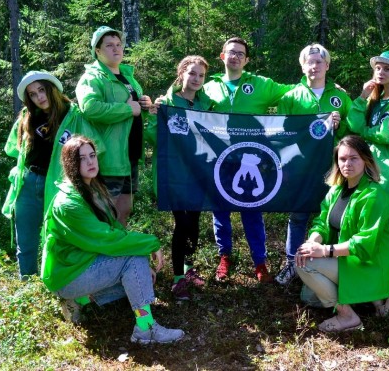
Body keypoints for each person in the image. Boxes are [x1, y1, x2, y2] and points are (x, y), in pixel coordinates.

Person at [40, 136, 184, 345]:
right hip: (68, 274)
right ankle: (146, 329)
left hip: (82, 263)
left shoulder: (91, 188)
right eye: (82, 159)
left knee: (142, 276)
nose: (90, 162)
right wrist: (149, 244)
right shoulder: (68, 203)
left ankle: (80, 300)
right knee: (133, 262)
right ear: (71, 164)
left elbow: (112, 227)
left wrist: (143, 264)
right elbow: (107, 239)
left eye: (92, 156)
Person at [202, 37, 294, 283]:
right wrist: (162, 102)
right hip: (219, 159)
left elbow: (296, 92)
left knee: (252, 210)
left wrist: (322, 85)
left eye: (241, 54)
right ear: (222, 56)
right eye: (231, 52)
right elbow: (184, 98)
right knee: (219, 210)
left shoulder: (261, 85)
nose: (236, 57)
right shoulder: (208, 87)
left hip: (251, 158)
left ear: (247, 60)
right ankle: (225, 256)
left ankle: (260, 261)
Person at [2, 71, 103, 278]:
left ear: (52, 88)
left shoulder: (72, 114)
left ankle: (58, 285)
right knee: (26, 241)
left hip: (58, 184)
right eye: (32, 94)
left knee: (57, 237)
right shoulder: (27, 117)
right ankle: (28, 286)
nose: (39, 97)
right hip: (28, 183)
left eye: (41, 90)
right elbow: (13, 148)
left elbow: (93, 146)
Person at [295, 135, 389, 332]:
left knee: (306, 266)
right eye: (342, 159)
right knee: (309, 297)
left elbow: (363, 244)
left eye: (353, 158)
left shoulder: (375, 196)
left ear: (366, 160)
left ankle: (348, 315)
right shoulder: (336, 190)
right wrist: (311, 244)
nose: (347, 164)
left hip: (367, 264)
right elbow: (321, 223)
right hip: (345, 260)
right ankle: (369, 298)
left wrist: (323, 251)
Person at [275, 43, 351, 286]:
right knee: (298, 216)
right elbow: (280, 132)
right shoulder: (290, 97)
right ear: (303, 65)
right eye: (310, 61)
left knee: (331, 216)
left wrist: (341, 126)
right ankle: (292, 264)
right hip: (300, 168)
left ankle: (327, 265)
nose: (314, 66)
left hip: (333, 168)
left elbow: (352, 133)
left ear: (327, 65)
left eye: (319, 62)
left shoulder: (340, 97)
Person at [146, 55, 214, 300]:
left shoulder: (207, 104)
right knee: (183, 224)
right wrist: (154, 115)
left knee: (194, 224)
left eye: (201, 75)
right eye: (192, 73)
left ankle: (187, 267)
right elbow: (153, 138)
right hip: (172, 174)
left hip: (197, 174)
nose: (196, 79)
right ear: (181, 74)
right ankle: (177, 279)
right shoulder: (167, 102)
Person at [76, 26, 152, 226]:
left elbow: (133, 109)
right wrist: (128, 109)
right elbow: (90, 108)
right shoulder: (92, 78)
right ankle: (101, 256)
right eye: (109, 45)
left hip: (129, 157)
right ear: (97, 51)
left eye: (118, 45)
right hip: (108, 157)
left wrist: (143, 105)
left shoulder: (129, 78)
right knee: (104, 213)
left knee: (125, 210)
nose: (116, 49)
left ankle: (119, 254)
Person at [347, 50, 389, 205]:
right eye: (378, 68)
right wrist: (363, 96)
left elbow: (388, 133)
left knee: (379, 213)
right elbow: (354, 124)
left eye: (387, 69)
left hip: (388, 168)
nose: (380, 72)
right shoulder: (374, 99)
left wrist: (364, 132)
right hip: (366, 163)